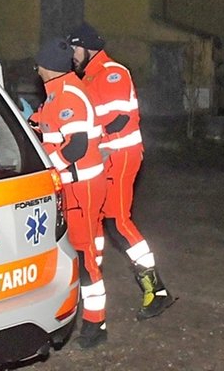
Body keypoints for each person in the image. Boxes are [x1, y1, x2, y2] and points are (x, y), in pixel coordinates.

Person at [67, 22, 175, 320]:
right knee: (97, 222)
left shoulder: (112, 72)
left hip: (120, 156)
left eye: (74, 48)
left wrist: (86, 135)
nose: (72, 55)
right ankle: (92, 276)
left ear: (87, 47)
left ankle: (156, 288)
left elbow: (118, 121)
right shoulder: (87, 77)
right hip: (102, 158)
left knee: (117, 222)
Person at [31, 37, 109, 349]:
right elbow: (53, 129)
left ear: (47, 67)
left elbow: (75, 146)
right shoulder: (59, 92)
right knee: (85, 250)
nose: (35, 69)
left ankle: (95, 322)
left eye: (38, 64)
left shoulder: (67, 94)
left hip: (80, 185)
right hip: (78, 183)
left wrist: (52, 169)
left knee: (83, 253)